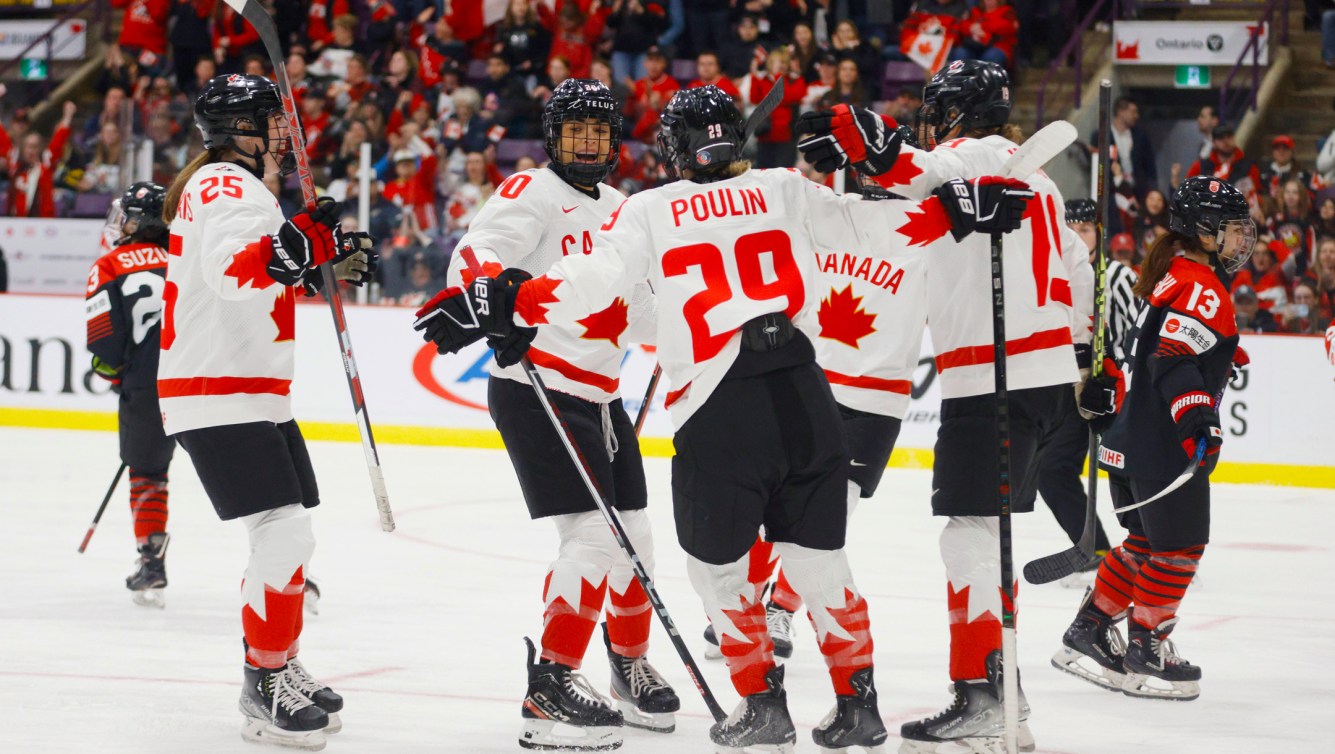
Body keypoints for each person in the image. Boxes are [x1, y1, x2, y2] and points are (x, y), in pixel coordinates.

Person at [416, 82, 1034, 753]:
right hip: (805, 393)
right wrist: (958, 212)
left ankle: (761, 705)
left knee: (715, 569)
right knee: (818, 559)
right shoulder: (784, 186)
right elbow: (878, 228)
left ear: (668, 147)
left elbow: (590, 282)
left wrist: (509, 303)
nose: (589, 142)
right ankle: (858, 704)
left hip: (717, 407)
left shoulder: (646, 208)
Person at [795, 58, 1096, 752]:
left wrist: (872, 143)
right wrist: (1083, 362)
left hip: (993, 375)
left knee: (967, 537)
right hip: (1043, 377)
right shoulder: (1042, 182)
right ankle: (1004, 696)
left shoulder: (969, 158)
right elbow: (1077, 274)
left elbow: (915, 174)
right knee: (983, 538)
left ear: (955, 113)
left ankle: (983, 696)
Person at [433, 79, 679, 751]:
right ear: (552, 136)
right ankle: (551, 683)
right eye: (575, 130)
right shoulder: (530, 192)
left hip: (602, 396)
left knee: (635, 540)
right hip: (537, 386)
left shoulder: (625, 209)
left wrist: (688, 323)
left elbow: (644, 304)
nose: (588, 142)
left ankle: (626, 666)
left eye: (598, 132)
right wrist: (493, 299)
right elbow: (475, 256)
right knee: (593, 539)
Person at [160, 73, 376, 749]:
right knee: (283, 535)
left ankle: (276, 658)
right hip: (216, 390)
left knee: (287, 535)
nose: (286, 132)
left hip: (250, 391)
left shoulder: (242, 187)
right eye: (271, 120)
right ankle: (263, 678)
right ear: (239, 132)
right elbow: (235, 272)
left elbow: (266, 273)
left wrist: (319, 258)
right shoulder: (225, 182)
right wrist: (297, 246)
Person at [1053, 176, 1255, 702]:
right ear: (1204, 232)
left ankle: (1090, 629)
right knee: (1180, 549)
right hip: (1164, 446)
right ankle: (1147, 648)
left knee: (1143, 545)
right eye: (1232, 231)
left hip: (1129, 438)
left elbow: (1140, 351)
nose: (1240, 242)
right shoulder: (1202, 287)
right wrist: (1199, 425)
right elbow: (1172, 359)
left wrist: (1221, 355)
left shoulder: (1168, 276)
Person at [85, 182, 176, 607]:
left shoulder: (110, 264)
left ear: (142, 222)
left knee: (148, 475)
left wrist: (120, 376)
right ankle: (287, 570)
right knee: (241, 475)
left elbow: (103, 346)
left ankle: (151, 563)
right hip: (201, 381)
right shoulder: (187, 258)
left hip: (146, 388)